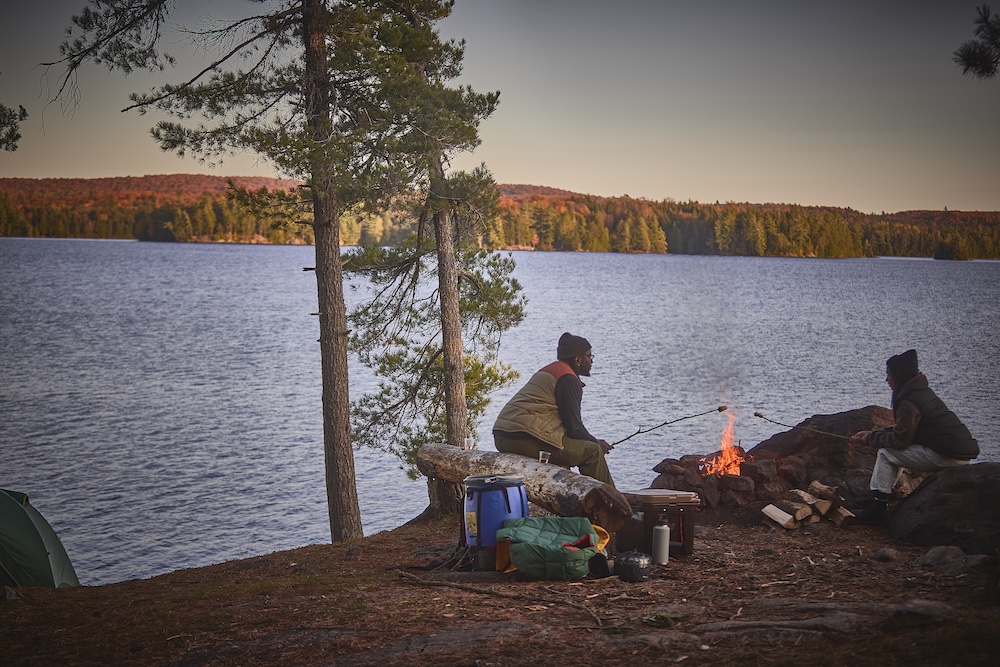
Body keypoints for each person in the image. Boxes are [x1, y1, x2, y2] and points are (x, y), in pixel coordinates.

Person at [849, 349, 979, 524]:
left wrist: (870, 439)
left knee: (887, 453)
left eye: (889, 374)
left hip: (946, 456)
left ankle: (878, 509)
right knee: (894, 452)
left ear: (899, 376)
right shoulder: (920, 392)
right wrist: (872, 434)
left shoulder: (909, 401)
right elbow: (905, 432)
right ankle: (879, 497)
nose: (887, 379)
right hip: (955, 452)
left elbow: (900, 441)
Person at [493, 332, 615, 486]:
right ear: (578, 359)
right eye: (589, 356)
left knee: (570, 453)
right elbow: (574, 428)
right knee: (592, 452)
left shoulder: (552, 370)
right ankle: (611, 504)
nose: (591, 361)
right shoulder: (568, 380)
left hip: (503, 435)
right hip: (521, 438)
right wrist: (596, 442)